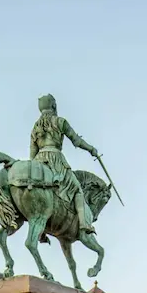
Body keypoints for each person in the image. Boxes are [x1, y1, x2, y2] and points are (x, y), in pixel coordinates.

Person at [30, 94, 100, 234]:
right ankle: (85, 224)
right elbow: (76, 141)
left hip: (38, 161)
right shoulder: (60, 121)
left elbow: (32, 152)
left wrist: (34, 167)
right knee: (77, 188)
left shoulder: (36, 127)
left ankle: (41, 230)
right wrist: (91, 149)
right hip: (55, 160)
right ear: (54, 105)